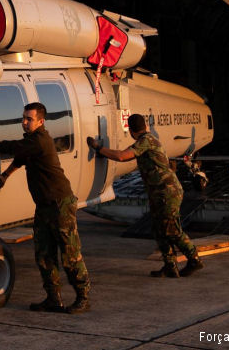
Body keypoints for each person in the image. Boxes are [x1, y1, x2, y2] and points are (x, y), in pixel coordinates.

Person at [0, 102, 90, 314]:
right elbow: (20, 159)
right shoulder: (31, 141)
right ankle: (53, 298)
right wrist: (5, 175)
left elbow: (10, 148)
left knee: (70, 255)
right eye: (23, 118)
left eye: (29, 119)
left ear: (41, 121)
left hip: (60, 205)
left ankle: (83, 297)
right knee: (43, 254)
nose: (24, 122)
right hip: (44, 206)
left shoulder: (40, 140)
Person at [87, 114, 204, 278]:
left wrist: (98, 148)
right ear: (145, 126)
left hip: (167, 191)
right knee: (159, 229)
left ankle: (194, 259)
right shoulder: (146, 140)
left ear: (131, 130)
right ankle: (170, 265)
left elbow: (122, 156)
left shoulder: (146, 141)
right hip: (159, 192)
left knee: (171, 229)